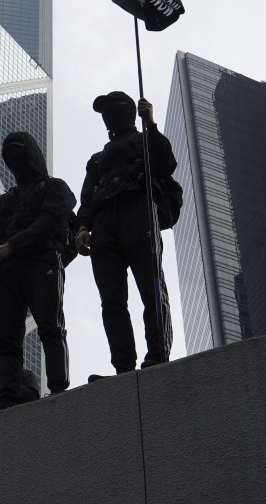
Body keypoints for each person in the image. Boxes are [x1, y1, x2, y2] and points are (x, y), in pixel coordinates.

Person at [74, 92, 176, 379]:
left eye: (110, 110)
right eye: (104, 112)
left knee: (151, 289)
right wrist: (82, 228)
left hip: (138, 214)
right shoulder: (96, 161)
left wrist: (151, 124)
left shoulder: (144, 141)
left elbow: (166, 164)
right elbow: (86, 200)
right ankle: (123, 368)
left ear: (125, 112)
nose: (106, 116)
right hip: (104, 226)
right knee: (112, 301)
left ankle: (157, 356)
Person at [0, 132, 76, 409]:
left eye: (19, 154)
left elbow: (48, 223)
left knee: (50, 327)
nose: (15, 162)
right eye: (10, 157)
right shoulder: (3, 202)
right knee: (7, 339)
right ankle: (6, 397)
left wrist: (11, 246)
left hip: (41, 265)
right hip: (7, 276)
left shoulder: (56, 188)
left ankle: (58, 387)